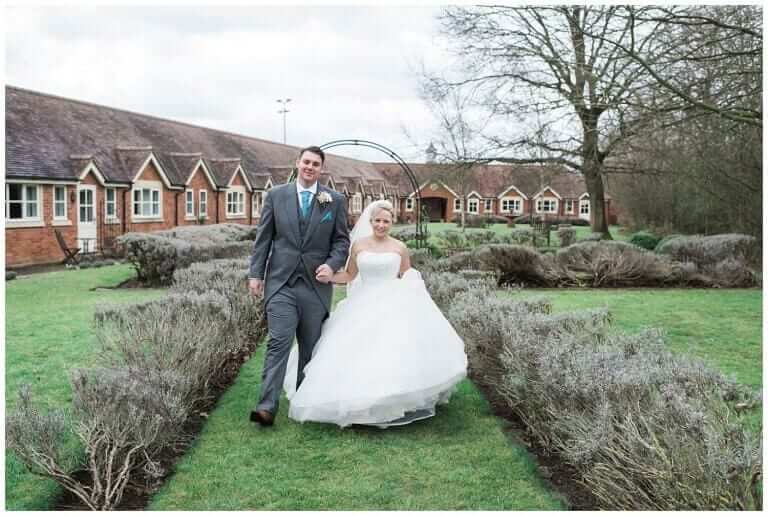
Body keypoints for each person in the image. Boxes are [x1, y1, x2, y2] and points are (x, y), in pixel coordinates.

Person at [283, 199, 468, 428]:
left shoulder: (400, 248)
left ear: (392, 222)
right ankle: (356, 400)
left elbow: (405, 275)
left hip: (392, 304)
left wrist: (412, 284)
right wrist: (329, 276)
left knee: (392, 353)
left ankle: (390, 399)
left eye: (386, 221)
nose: (381, 225)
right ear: (370, 221)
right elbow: (349, 276)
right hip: (362, 302)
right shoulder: (359, 246)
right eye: (377, 221)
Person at [248, 146, 350, 427]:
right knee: (279, 341)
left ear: (321, 168)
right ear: (298, 163)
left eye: (316, 164)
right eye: (306, 162)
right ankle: (266, 407)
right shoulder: (276, 196)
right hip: (281, 283)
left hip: (316, 287)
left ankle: (305, 402)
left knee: (310, 347)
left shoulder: (335, 200)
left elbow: (342, 241)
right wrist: (256, 274)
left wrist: (331, 265)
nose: (310, 167)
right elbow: (263, 239)